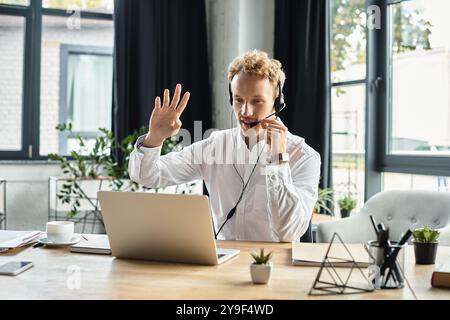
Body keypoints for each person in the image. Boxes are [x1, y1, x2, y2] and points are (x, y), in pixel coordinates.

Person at [128, 50, 321, 242]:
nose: (245, 111)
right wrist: (155, 138)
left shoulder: (304, 157)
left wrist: (278, 160)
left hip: (274, 267)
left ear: (277, 103)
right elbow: (147, 176)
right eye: (239, 100)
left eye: (257, 101)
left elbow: (289, 232)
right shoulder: (215, 146)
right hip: (223, 264)